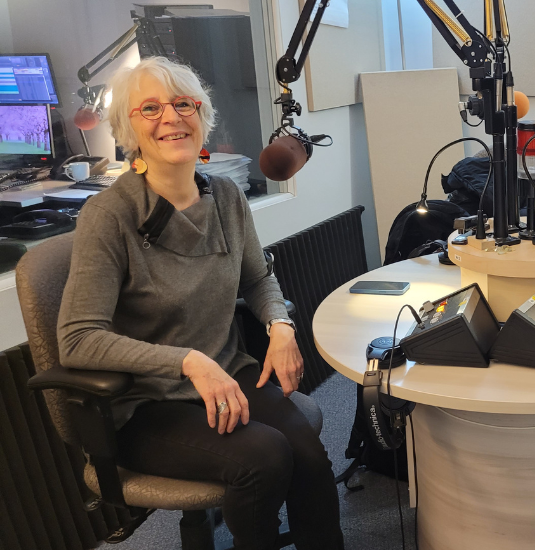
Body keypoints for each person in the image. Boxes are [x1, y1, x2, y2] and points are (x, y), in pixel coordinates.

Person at [57, 57, 344, 550]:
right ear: (129, 128)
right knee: (265, 458)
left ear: (201, 116)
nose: (171, 117)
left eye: (183, 104)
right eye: (150, 108)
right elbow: (78, 338)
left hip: (228, 377)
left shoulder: (227, 196)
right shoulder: (109, 216)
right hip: (147, 405)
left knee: (311, 457)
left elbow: (258, 278)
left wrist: (279, 325)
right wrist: (188, 362)